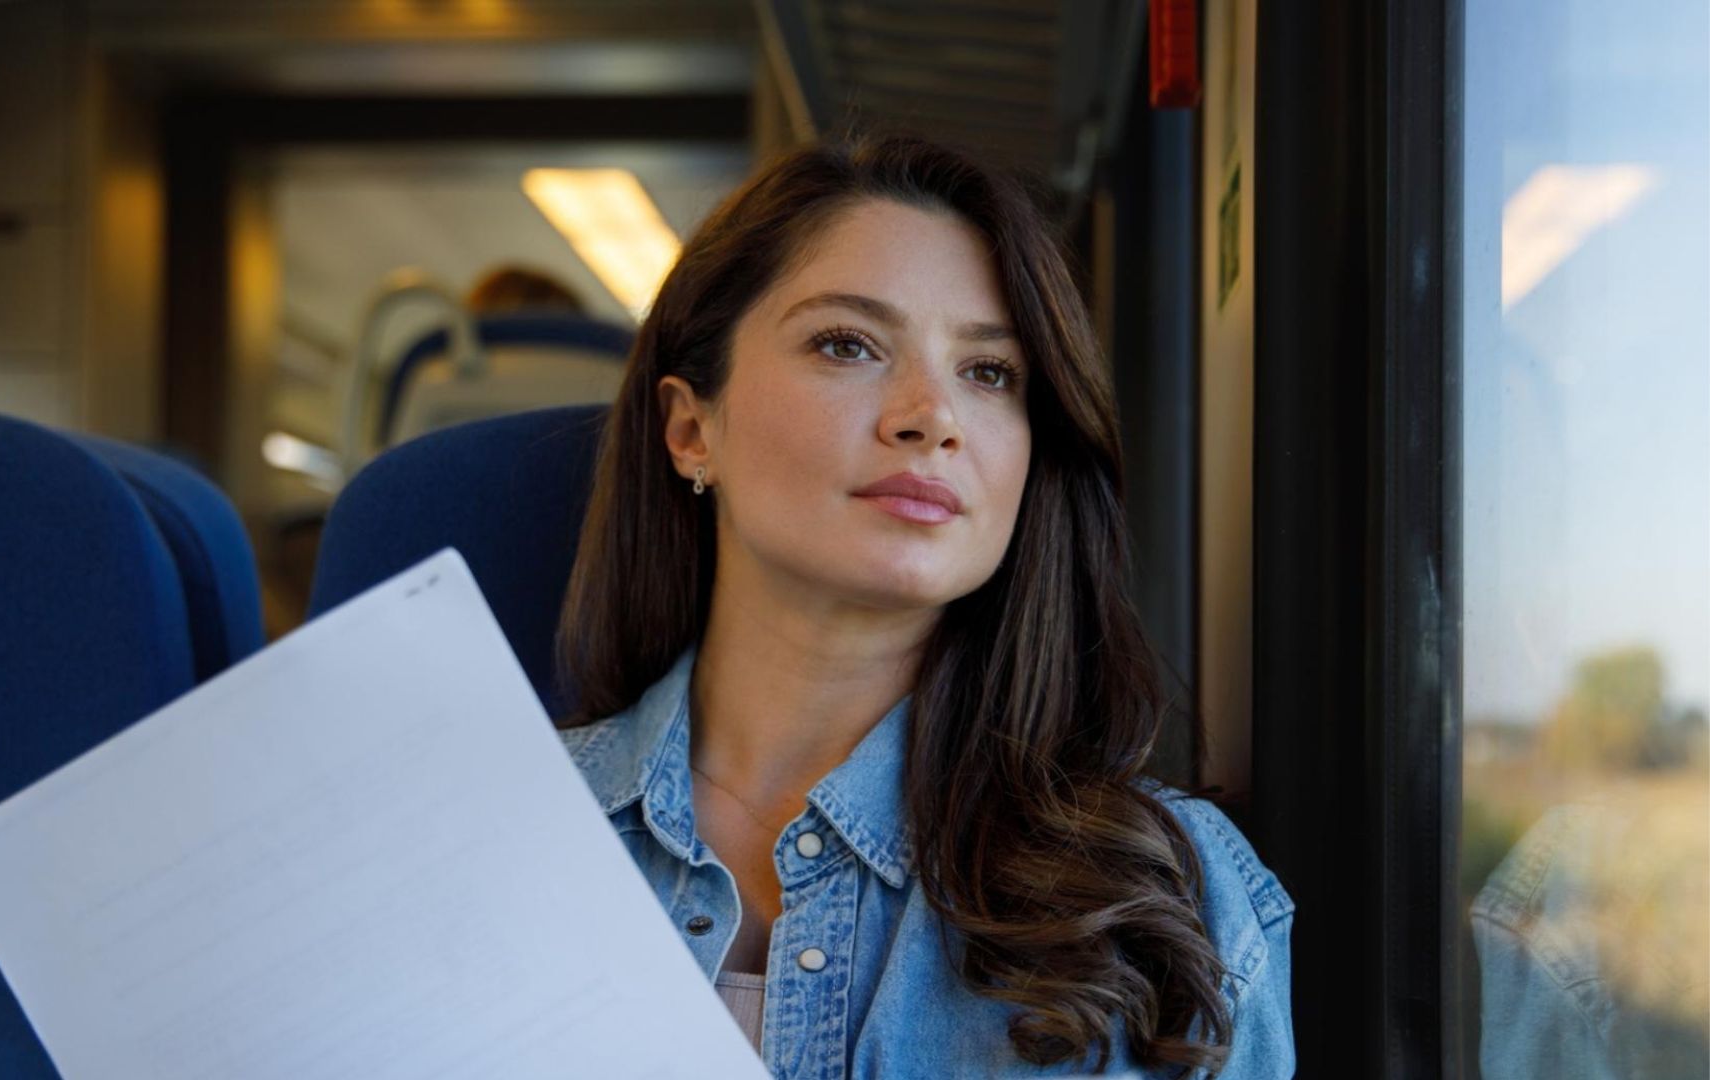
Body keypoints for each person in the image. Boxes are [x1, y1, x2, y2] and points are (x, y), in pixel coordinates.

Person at [551, 133, 1295, 1078]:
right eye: (848, 345)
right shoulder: (492, 837)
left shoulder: (1175, 898)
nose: (929, 416)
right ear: (693, 428)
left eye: (989, 373)